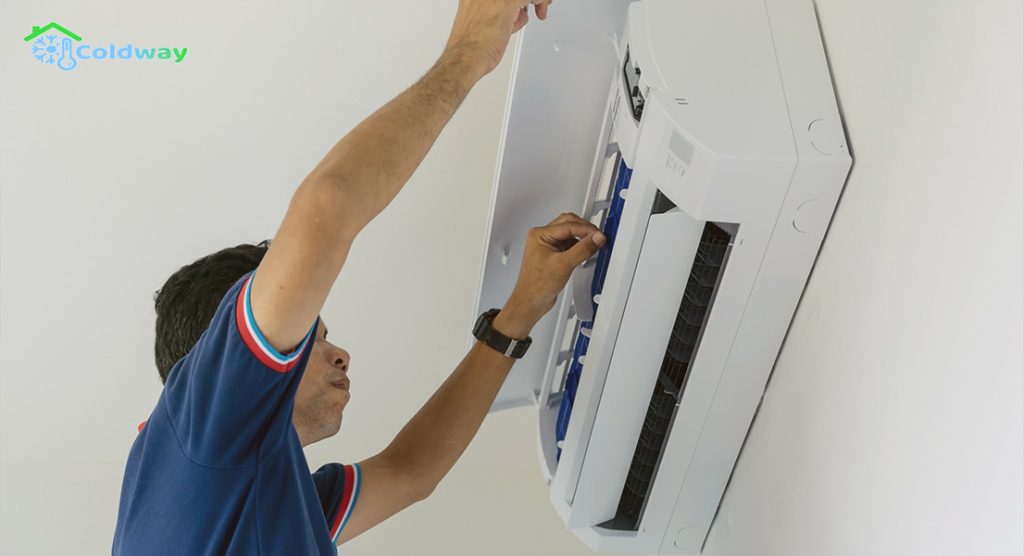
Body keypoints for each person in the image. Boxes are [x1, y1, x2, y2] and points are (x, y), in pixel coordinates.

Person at [112, 0, 608, 553]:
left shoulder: (255, 497)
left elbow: (411, 470)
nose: (339, 354)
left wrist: (519, 313)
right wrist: (469, 51)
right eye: (310, 338)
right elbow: (326, 209)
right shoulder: (202, 438)